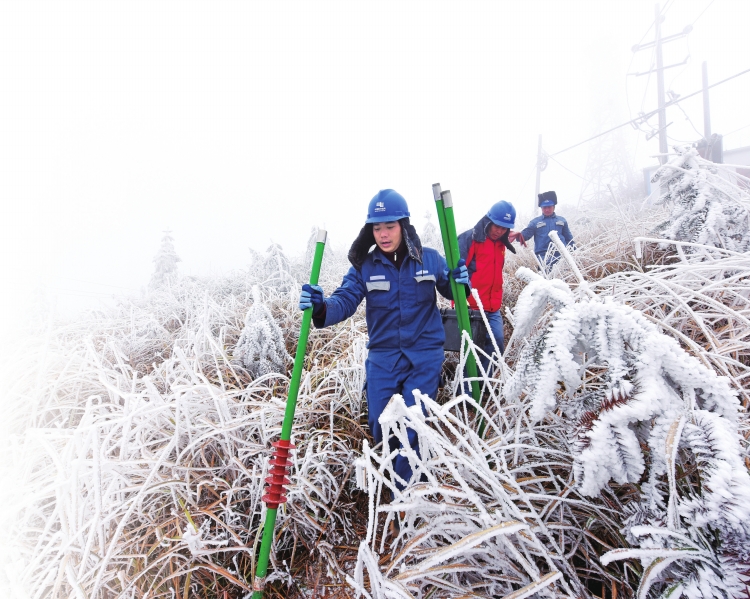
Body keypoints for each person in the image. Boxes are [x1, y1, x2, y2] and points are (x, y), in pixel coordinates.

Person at [298, 189, 468, 491]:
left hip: (424, 354)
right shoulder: (366, 267)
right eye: (377, 228)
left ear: (403, 225)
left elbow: (451, 292)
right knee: (380, 420)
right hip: (384, 356)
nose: (383, 234)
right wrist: (321, 307)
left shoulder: (429, 259)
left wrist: (461, 283)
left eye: (389, 226)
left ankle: (406, 494)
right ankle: (396, 473)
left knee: (414, 421)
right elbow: (345, 300)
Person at [457, 200, 520, 369]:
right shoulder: (469, 239)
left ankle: (484, 387)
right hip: (471, 306)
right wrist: (460, 301)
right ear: (488, 221)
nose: (499, 231)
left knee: (496, 343)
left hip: (492, 307)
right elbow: (454, 271)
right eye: (496, 226)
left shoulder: (501, 242)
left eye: (504, 228)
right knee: (472, 351)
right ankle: (468, 390)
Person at [514, 191, 574, 270]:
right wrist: (517, 236)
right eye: (544, 207)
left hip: (561, 256)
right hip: (543, 257)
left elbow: (569, 239)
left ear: (554, 207)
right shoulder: (535, 222)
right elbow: (526, 235)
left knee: (561, 280)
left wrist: (574, 252)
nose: (547, 210)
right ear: (541, 208)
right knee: (545, 280)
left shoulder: (562, 220)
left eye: (549, 207)